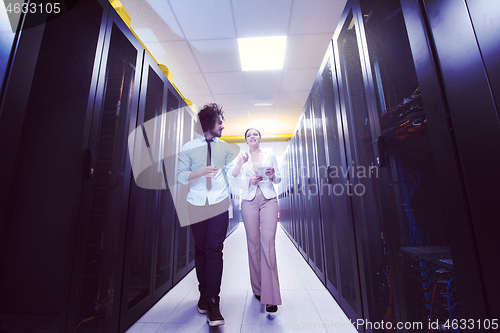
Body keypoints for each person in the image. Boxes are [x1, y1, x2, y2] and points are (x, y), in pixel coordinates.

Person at [177, 103, 240, 326]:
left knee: (214, 249)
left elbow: (232, 174)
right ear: (209, 122)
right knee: (201, 249)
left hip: (218, 204)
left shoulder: (225, 148)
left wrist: (240, 165)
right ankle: (203, 295)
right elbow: (181, 177)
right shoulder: (188, 147)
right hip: (196, 203)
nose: (223, 125)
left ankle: (213, 302)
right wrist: (201, 172)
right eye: (220, 121)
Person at [231, 128, 282, 313]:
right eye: (248, 135)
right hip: (249, 201)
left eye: (255, 134)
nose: (252, 137)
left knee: (268, 243)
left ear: (260, 138)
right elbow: (234, 180)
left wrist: (272, 176)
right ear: (246, 140)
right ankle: (258, 288)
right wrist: (248, 181)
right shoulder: (242, 158)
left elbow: (279, 178)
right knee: (253, 244)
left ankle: (271, 296)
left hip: (269, 198)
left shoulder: (270, 155)